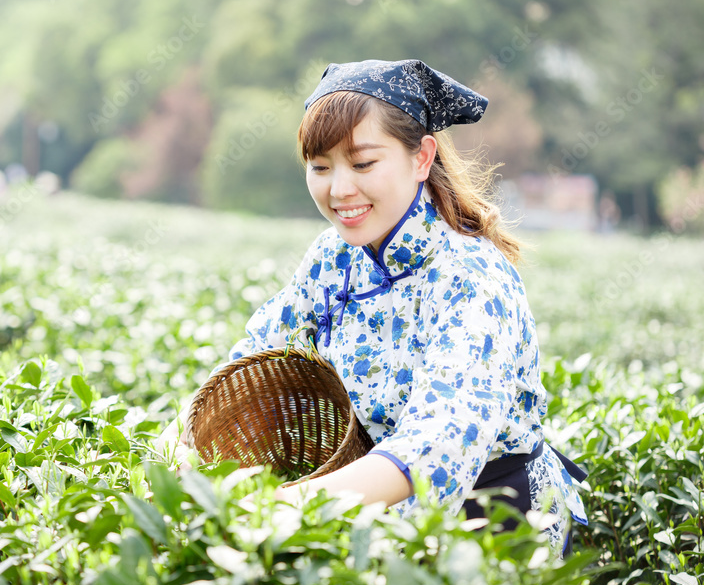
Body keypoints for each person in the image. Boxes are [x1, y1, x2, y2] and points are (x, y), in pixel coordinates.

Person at [157, 59, 588, 557]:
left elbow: (436, 446)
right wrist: (176, 448)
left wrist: (276, 507)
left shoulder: (471, 276)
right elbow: (254, 354)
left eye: (363, 164)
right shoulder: (332, 256)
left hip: (497, 519)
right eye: (320, 167)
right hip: (375, 500)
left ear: (422, 157)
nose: (339, 189)